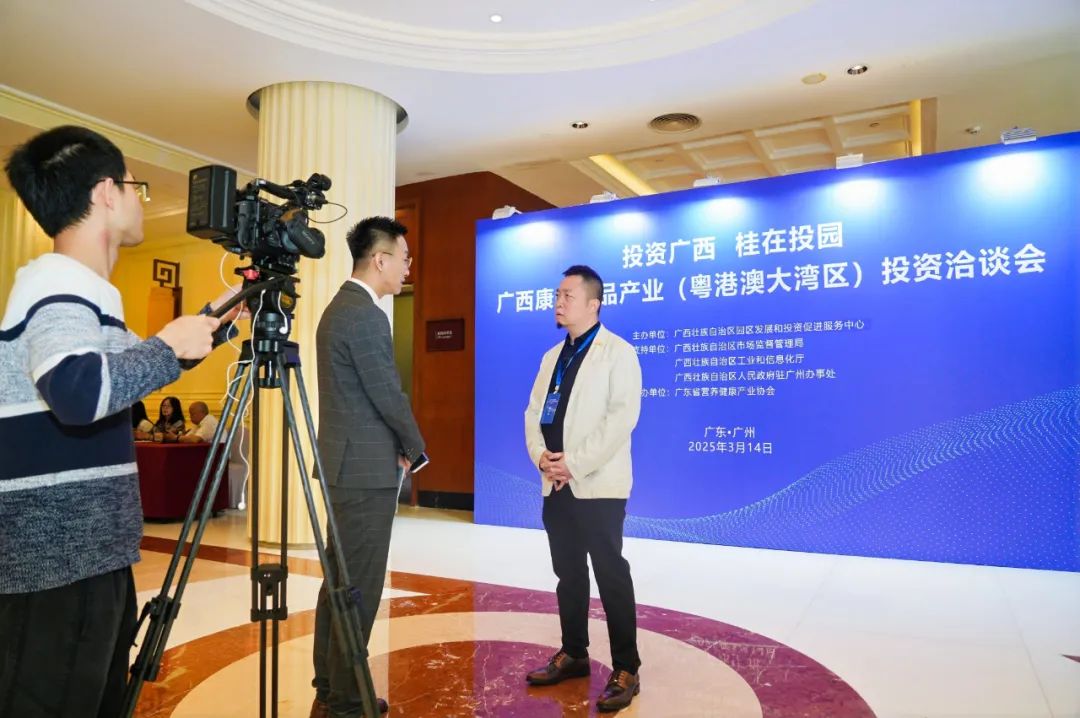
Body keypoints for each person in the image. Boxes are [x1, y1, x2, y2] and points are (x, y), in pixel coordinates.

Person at [0, 125, 238, 718]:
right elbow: (78, 393)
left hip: (88, 550)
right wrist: (166, 344)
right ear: (107, 191)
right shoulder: (57, 283)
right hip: (59, 557)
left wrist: (218, 319)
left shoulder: (85, 291)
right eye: (136, 188)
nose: (139, 201)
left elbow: (134, 371)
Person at [310, 216, 426, 718]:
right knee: (359, 587)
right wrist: (416, 447)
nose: (407, 268)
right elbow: (388, 394)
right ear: (379, 259)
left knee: (339, 583)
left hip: (345, 465)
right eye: (404, 258)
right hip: (363, 472)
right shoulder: (365, 315)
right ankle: (346, 701)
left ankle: (330, 687)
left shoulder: (341, 309)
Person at [522, 265, 644, 713]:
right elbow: (534, 412)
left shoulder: (619, 353)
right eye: (557, 295)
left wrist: (573, 463)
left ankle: (627, 667)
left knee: (610, 573)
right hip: (556, 484)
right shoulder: (552, 356)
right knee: (568, 572)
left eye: (568, 296)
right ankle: (574, 652)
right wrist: (541, 456)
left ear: (594, 304)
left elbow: (621, 419)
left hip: (598, 484)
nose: (558, 302)